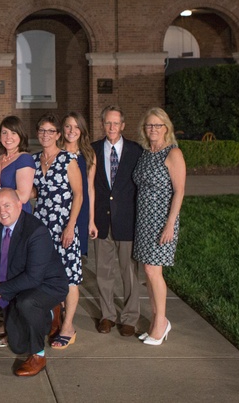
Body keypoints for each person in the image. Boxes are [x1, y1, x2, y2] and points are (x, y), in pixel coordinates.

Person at [0, 188, 69, 377]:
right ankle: (47, 314)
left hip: (48, 284)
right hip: (18, 283)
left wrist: (0, 290)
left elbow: (33, 277)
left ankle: (38, 355)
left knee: (27, 303)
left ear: (19, 205)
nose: (2, 211)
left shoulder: (36, 231)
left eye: (7, 205)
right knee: (17, 345)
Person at [133, 108, 186, 346]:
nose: (153, 130)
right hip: (143, 219)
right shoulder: (146, 153)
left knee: (154, 272)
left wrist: (170, 224)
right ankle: (156, 321)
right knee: (148, 271)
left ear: (167, 128)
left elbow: (179, 191)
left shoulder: (172, 153)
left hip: (161, 220)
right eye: (149, 126)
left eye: (158, 125)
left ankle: (161, 323)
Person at [33, 113, 84, 349]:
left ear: (58, 135)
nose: (46, 135)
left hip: (64, 226)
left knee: (69, 277)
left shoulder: (67, 159)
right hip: (41, 226)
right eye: (42, 130)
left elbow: (79, 194)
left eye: (50, 131)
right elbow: (33, 192)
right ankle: (49, 322)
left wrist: (71, 226)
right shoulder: (34, 160)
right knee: (43, 275)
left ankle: (68, 327)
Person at [91, 105, 143, 337]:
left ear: (123, 125)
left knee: (129, 272)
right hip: (101, 219)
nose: (111, 127)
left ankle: (130, 318)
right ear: (103, 125)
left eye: (116, 123)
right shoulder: (92, 150)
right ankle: (107, 315)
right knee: (103, 271)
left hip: (127, 220)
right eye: (107, 123)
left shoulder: (135, 151)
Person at [59, 111, 97, 258]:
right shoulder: (56, 152)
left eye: (76, 127)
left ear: (82, 130)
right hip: (59, 208)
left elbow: (90, 188)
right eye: (68, 126)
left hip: (80, 209)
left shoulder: (88, 154)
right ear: (62, 129)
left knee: (75, 256)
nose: (72, 131)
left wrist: (91, 220)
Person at [0, 115, 35, 212]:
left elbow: (23, 196)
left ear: (20, 135)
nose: (8, 137)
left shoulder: (24, 159)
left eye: (13, 133)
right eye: (4, 132)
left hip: (15, 214)